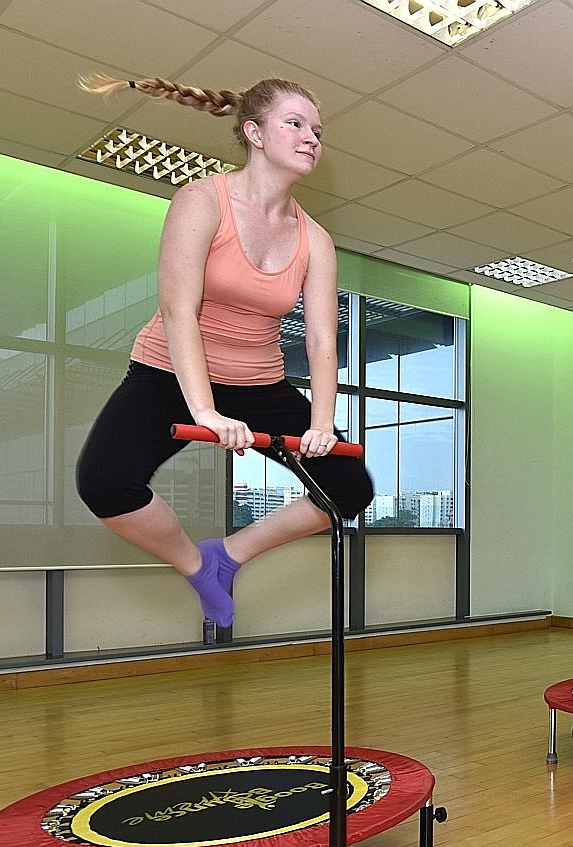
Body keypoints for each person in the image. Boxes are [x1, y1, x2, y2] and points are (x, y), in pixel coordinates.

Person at [75, 74, 373, 628]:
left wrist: (323, 423)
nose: (312, 138)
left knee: (349, 488)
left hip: (258, 379)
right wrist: (206, 411)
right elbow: (177, 310)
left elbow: (322, 340)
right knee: (104, 481)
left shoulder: (316, 240)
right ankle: (196, 566)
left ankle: (228, 556)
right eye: (296, 124)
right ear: (255, 133)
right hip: (169, 370)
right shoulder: (201, 201)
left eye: (317, 130)